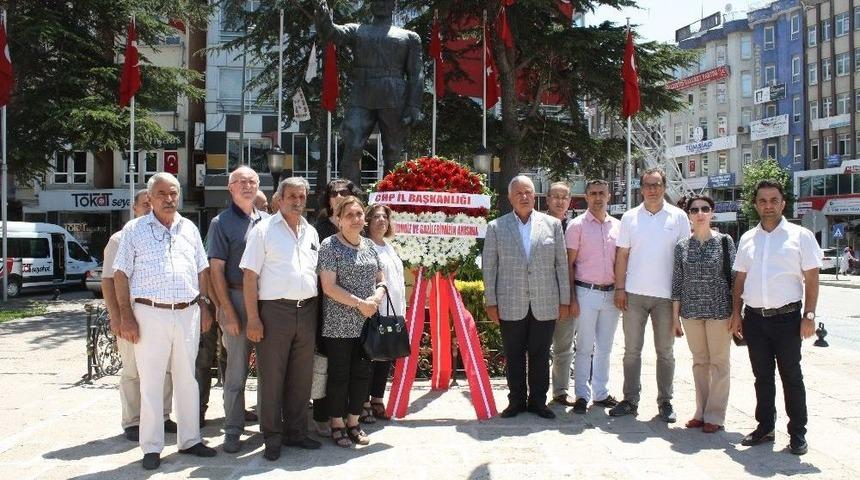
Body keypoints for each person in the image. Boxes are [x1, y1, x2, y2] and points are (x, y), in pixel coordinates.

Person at [112, 172, 217, 470]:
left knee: (187, 378)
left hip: (187, 312)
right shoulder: (134, 230)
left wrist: (205, 305)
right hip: (149, 313)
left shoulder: (190, 228)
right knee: (152, 382)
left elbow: (202, 270)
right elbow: (120, 274)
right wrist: (126, 315)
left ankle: (190, 440)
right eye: (162, 194)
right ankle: (152, 446)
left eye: (173, 193)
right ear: (149, 198)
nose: (169, 199)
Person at [732, 179, 821, 456]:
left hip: (788, 320)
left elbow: (812, 278)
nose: (768, 206)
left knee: (792, 377)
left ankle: (797, 434)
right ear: (756, 204)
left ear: (783, 203)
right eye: (762, 201)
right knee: (762, 377)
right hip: (755, 320)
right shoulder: (747, 238)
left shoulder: (800, 235)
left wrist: (809, 315)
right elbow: (739, 280)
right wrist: (736, 313)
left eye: (773, 200)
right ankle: (765, 427)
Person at [240, 177, 321, 461]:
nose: (297, 201)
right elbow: (249, 276)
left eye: (302, 196)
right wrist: (253, 318)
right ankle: (272, 436)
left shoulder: (311, 232)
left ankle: (296, 432)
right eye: (292, 196)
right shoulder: (263, 230)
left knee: (301, 377)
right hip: (274, 312)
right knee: (272, 378)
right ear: (279, 199)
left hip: (307, 309)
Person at [482, 175, 570, 420]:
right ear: (510, 197)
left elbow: (561, 265)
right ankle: (516, 400)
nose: (524, 197)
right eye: (519, 193)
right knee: (514, 353)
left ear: (535, 196)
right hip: (510, 302)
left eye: (528, 192)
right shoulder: (496, 227)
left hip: (545, 301)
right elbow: (489, 267)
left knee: (541, 354)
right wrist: (491, 301)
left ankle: (538, 402)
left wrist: (565, 300)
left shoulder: (551, 225)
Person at [610, 168, 691, 422]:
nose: (652, 189)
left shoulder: (678, 217)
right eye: (647, 185)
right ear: (641, 188)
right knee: (631, 351)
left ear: (664, 187)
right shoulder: (630, 217)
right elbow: (622, 255)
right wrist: (620, 288)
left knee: (665, 352)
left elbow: (684, 259)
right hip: (633, 295)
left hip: (666, 298)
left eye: (657, 184)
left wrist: (682, 297)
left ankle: (665, 402)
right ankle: (630, 399)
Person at [313, 0, 423, 184]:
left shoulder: (410, 37)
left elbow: (416, 74)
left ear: (393, 5)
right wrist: (323, 16)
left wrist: (414, 106)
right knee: (352, 145)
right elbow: (332, 33)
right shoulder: (358, 30)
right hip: (362, 95)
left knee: (393, 151)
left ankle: (391, 200)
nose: (381, 4)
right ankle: (350, 198)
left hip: (394, 96)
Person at [102, 189, 176, 441]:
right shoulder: (120, 238)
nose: (148, 208)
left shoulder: (168, 234)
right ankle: (133, 420)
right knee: (133, 370)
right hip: (131, 314)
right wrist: (118, 317)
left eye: (150, 204)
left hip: (162, 314)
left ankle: (163, 416)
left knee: (164, 368)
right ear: (134, 208)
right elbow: (109, 282)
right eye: (144, 205)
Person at [206, 166, 268, 453]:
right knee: (236, 373)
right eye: (240, 182)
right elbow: (215, 271)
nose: (247, 186)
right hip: (235, 300)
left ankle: (270, 425)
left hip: (267, 303)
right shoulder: (221, 223)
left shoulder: (268, 222)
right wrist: (226, 311)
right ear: (230, 188)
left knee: (271, 370)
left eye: (252, 181)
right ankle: (233, 429)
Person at [318, 196, 386, 447]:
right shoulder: (329, 245)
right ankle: (336, 423)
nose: (356, 219)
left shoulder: (369, 245)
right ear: (338, 219)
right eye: (350, 215)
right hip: (339, 324)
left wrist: (376, 297)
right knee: (338, 376)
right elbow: (328, 286)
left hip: (367, 322)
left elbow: (381, 278)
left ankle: (353, 422)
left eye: (359, 214)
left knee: (361, 375)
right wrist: (360, 303)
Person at [671, 195, 735, 433]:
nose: (700, 213)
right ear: (688, 215)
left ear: (712, 213)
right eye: (695, 209)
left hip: (719, 311)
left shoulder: (725, 242)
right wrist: (675, 317)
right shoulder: (682, 246)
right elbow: (677, 283)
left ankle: (715, 416)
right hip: (691, 312)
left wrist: (736, 313)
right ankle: (701, 411)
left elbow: (735, 279)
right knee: (700, 363)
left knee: (719, 363)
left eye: (705, 209)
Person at [311, 178, 364, 437]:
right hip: (325, 307)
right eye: (335, 193)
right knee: (326, 364)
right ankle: (322, 414)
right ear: (328, 198)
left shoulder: (357, 227)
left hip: (357, 313)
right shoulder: (319, 229)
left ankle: (349, 413)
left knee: (351, 367)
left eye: (346, 192)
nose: (340, 195)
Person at [565, 179, 621, 414]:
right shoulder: (576, 226)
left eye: (602, 193)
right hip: (585, 292)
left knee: (605, 348)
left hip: (611, 295)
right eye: (593, 193)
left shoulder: (618, 226)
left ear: (609, 196)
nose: (598, 197)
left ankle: (600, 393)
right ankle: (580, 394)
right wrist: (572, 298)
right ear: (586, 197)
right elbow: (568, 264)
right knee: (585, 347)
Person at [361, 203, 406, 422]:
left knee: (385, 356)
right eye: (376, 216)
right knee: (370, 356)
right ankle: (364, 402)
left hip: (393, 310)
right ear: (367, 221)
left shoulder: (389, 246)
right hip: (374, 311)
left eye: (385, 217)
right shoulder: (365, 246)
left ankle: (378, 397)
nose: (381, 220)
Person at [544, 182, 578, 407]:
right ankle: (533, 391)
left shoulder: (576, 227)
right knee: (536, 347)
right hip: (541, 296)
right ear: (547, 199)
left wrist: (571, 297)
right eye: (555, 196)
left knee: (564, 348)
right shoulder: (537, 224)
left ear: (570, 200)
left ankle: (560, 391)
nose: (559, 201)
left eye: (564, 197)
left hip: (568, 296)